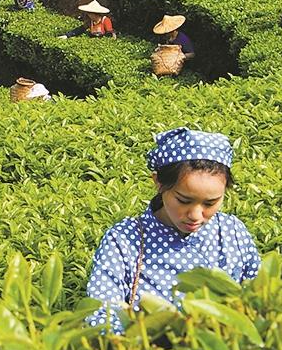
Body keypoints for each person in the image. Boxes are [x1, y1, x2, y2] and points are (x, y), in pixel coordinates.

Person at [83, 129, 260, 333]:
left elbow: (259, 297)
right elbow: (101, 313)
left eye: (210, 203)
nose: (195, 215)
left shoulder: (232, 232)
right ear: (158, 182)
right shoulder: (124, 240)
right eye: (184, 200)